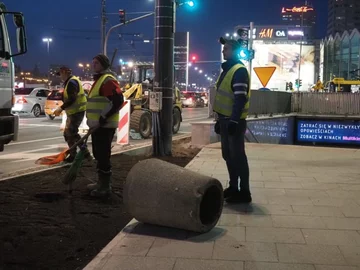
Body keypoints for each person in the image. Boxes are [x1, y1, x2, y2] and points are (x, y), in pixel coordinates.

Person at [213, 37, 251, 204]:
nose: (223, 51)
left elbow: (240, 98)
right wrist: (219, 120)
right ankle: (234, 187)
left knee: (238, 157)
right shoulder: (228, 70)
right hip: (225, 120)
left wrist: (234, 121)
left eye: (226, 49)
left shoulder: (239, 71)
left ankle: (244, 192)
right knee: (228, 155)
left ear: (234, 52)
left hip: (234, 121)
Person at [86, 54, 124, 197]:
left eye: (96, 62)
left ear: (103, 64)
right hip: (98, 125)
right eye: (93, 62)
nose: (93, 64)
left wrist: (103, 117)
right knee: (98, 154)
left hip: (104, 125)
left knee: (102, 155)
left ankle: (105, 187)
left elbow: (117, 100)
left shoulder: (107, 80)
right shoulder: (100, 80)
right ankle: (100, 182)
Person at [54, 66, 91, 162]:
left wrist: (60, 108)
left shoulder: (71, 83)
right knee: (72, 133)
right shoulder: (71, 82)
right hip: (75, 111)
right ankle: (84, 154)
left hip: (76, 112)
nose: (60, 77)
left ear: (65, 72)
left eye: (60, 74)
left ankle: (75, 155)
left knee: (70, 133)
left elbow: (72, 98)